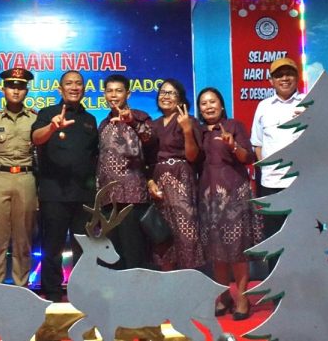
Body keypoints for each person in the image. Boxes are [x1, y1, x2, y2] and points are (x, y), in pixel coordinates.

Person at [32, 71, 98, 301]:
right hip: (54, 193)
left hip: (84, 196)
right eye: (69, 83)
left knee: (83, 248)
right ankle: (51, 294)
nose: (74, 87)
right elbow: (36, 138)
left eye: (78, 83)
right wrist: (52, 128)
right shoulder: (47, 113)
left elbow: (94, 156)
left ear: (84, 89)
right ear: (60, 89)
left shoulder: (90, 119)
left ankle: (82, 293)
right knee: (52, 248)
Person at [196, 87, 257, 320]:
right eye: (204, 103)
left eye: (213, 102)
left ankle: (242, 298)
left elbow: (248, 157)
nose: (208, 106)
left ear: (221, 105)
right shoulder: (199, 131)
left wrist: (233, 145)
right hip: (208, 197)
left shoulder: (234, 125)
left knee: (237, 249)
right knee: (217, 250)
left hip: (234, 194)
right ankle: (223, 296)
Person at [0, 68, 38, 286]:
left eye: (20, 87)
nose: (16, 91)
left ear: (26, 91)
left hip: (25, 178)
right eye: (11, 86)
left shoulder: (35, 119)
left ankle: (21, 287)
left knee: (23, 239)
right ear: (3, 89)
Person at [96, 74, 153, 269]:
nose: (113, 95)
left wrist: (132, 122)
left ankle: (137, 289)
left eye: (118, 91)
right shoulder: (103, 124)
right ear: (104, 94)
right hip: (107, 199)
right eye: (109, 91)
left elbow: (150, 139)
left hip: (132, 197)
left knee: (133, 252)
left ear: (128, 94)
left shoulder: (140, 117)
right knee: (113, 254)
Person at [146, 78, 204, 270]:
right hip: (158, 181)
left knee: (186, 233)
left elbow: (193, 156)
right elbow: (145, 159)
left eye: (171, 93)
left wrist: (187, 130)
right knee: (162, 237)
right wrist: (150, 182)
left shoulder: (189, 121)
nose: (165, 96)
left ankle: (189, 283)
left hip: (181, 178)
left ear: (180, 99)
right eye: (163, 92)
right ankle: (167, 284)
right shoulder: (153, 125)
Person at [250, 57, 305, 243]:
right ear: (271, 81)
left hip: (302, 182)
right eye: (279, 75)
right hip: (271, 184)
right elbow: (258, 144)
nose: (284, 78)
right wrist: (268, 170)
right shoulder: (263, 106)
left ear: (297, 77)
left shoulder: (309, 103)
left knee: (303, 236)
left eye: (289, 74)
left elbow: (323, 139)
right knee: (275, 238)